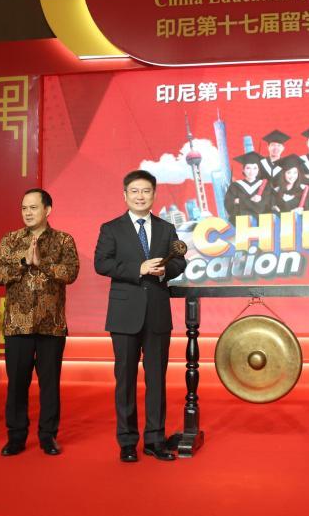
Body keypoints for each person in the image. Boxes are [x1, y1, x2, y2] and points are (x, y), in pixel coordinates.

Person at [94, 170, 187, 463]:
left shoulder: (165, 228)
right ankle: (127, 441)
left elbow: (180, 261)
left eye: (146, 191)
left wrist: (164, 270)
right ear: (125, 195)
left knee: (156, 379)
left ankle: (155, 439)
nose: (140, 196)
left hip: (157, 312)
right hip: (124, 314)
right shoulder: (111, 228)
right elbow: (101, 263)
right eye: (134, 191)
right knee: (125, 379)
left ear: (154, 195)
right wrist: (139, 269)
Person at [0, 188, 79, 456]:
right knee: (17, 384)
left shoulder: (63, 240)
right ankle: (16, 437)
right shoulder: (11, 240)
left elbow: (71, 273)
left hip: (51, 325)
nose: (27, 213)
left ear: (47, 210)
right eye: (24, 208)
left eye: (33, 207)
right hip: (17, 324)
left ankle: (48, 436)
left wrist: (42, 264)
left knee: (49, 385)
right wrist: (23, 261)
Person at [224, 151, 272, 223]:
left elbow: (268, 205)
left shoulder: (265, 185)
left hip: (261, 223)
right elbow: (229, 204)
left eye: (255, 168)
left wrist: (240, 201)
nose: (251, 171)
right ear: (243, 170)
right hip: (240, 222)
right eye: (248, 168)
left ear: (258, 170)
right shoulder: (235, 186)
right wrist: (255, 203)